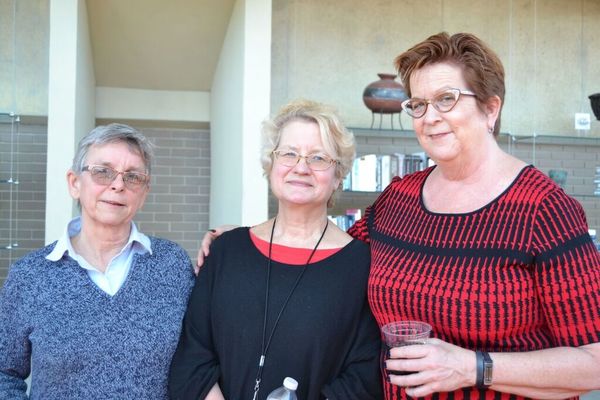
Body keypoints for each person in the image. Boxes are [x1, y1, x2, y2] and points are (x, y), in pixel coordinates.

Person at [198, 32, 600, 400]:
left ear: (491, 108)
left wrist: (473, 367)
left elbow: (594, 362)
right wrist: (247, 238)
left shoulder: (543, 209)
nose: (429, 117)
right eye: (419, 104)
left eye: (447, 99)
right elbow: (326, 249)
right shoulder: (400, 198)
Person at [168, 99, 382, 400]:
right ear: (271, 165)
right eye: (289, 154)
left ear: (337, 176)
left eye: (318, 158)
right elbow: (193, 355)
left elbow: (364, 375)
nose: (301, 167)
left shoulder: (361, 265)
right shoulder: (227, 251)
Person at [0, 123, 195, 399]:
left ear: (144, 192)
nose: (117, 185)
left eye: (133, 177)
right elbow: (4, 373)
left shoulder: (172, 264)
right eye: (103, 172)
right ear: (74, 183)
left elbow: (202, 356)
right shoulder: (30, 275)